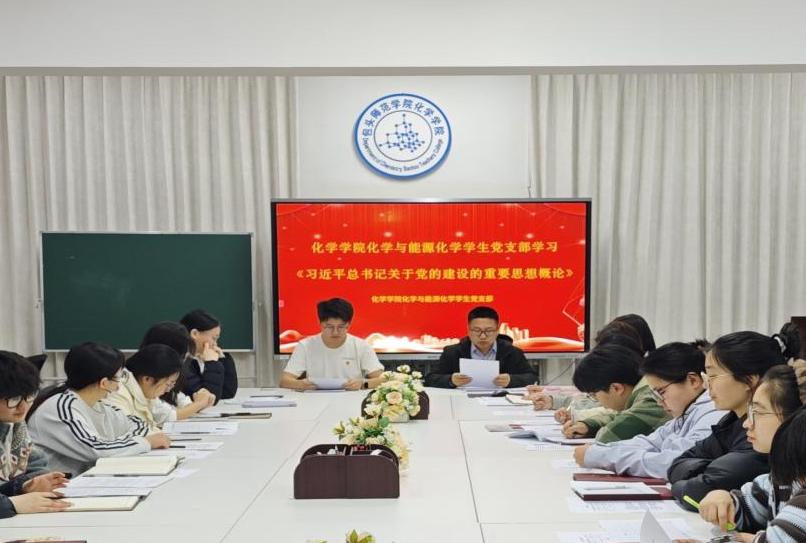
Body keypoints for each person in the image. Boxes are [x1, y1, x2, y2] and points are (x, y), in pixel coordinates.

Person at [668, 324, 801, 508]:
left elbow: (698, 490)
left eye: (713, 376)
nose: (707, 385)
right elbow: (676, 465)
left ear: (749, 380)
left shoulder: (765, 435)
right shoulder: (730, 422)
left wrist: (709, 470)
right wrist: (711, 467)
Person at [573, 342, 726, 478]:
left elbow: (677, 463)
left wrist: (602, 456)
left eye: (661, 392)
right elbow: (650, 442)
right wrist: (599, 451)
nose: (659, 401)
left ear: (693, 381)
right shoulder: (688, 412)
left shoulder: (713, 414)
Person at [697, 362, 806, 542]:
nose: (747, 424)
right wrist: (723, 500)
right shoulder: (781, 478)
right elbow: (747, 508)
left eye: (758, 412)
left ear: (795, 418)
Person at [27, 342, 171, 474]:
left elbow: (137, 425)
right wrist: (145, 442)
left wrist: (124, 442)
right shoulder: (60, 409)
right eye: (119, 377)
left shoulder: (98, 404)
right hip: (59, 487)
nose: (119, 385)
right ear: (104, 383)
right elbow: (97, 450)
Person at [0, 351, 70, 518]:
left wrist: (26, 485)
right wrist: (13, 504)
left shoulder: (14, 423)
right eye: (14, 399)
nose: (23, 407)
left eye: (30, 396)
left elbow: (35, 463)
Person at [561, 344, 669, 443]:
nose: (597, 401)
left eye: (594, 395)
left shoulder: (651, 399)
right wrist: (588, 426)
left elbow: (608, 436)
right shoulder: (641, 394)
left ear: (616, 388)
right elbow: (620, 416)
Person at [280, 298, 385, 391]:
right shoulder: (305, 346)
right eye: (329, 327)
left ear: (348, 325)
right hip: (314, 399)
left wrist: (363, 384)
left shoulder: (361, 346)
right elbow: (284, 380)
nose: (335, 332)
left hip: (351, 398)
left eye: (341, 327)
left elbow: (383, 379)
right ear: (321, 324)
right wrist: (300, 384)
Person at [424, 306, 537, 389]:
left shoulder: (512, 352)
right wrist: (451, 380)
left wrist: (511, 380)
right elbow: (430, 379)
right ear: (468, 330)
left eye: (489, 331)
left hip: (501, 401)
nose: (483, 336)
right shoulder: (452, 352)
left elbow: (532, 377)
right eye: (477, 330)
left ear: (497, 330)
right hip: (463, 401)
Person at [140, 321, 215, 419]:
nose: (183, 362)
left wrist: (202, 400)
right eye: (183, 356)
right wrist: (199, 403)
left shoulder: (168, 375)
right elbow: (166, 416)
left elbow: (181, 401)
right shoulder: (146, 377)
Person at [105, 344, 185, 432]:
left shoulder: (143, 391)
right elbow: (130, 432)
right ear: (147, 379)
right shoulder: (118, 393)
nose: (168, 390)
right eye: (168, 384)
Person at [180, 309, 238, 402]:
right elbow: (208, 399)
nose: (215, 344)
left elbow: (227, 393)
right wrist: (212, 364)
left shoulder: (197, 359)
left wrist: (223, 360)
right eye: (214, 338)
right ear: (194, 334)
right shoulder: (181, 361)